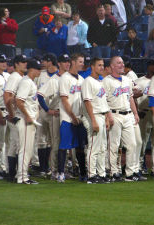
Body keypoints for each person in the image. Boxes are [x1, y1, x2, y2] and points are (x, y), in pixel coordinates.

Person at [103, 56, 144, 182]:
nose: (122, 65)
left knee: (132, 144)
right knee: (114, 145)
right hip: (114, 114)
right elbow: (103, 100)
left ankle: (130, 173)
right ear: (112, 66)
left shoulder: (127, 80)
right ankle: (114, 172)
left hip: (128, 115)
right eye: (119, 63)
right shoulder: (106, 81)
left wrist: (135, 113)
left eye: (122, 63)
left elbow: (131, 98)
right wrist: (108, 115)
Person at [37, 54, 71, 180]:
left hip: (67, 114)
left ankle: (64, 170)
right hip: (56, 114)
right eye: (64, 61)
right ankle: (54, 171)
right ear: (59, 64)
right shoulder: (54, 80)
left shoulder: (69, 78)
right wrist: (48, 110)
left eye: (68, 61)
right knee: (56, 143)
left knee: (66, 144)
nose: (67, 64)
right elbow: (40, 95)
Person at [58, 53, 87, 183]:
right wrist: (73, 116)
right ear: (73, 62)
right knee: (64, 146)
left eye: (83, 61)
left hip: (79, 118)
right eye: (80, 61)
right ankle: (60, 173)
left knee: (80, 147)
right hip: (67, 118)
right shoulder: (64, 78)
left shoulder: (81, 79)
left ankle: (82, 173)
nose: (82, 63)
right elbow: (64, 100)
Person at [81, 57, 111, 183]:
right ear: (92, 67)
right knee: (93, 146)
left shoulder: (100, 81)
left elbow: (103, 102)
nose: (102, 67)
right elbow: (87, 102)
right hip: (93, 116)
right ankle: (91, 175)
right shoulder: (88, 81)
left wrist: (107, 118)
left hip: (101, 116)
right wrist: (93, 120)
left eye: (102, 65)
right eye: (99, 65)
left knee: (103, 147)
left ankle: (101, 174)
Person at [15, 59, 42, 184]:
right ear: (31, 69)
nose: (40, 70)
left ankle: (22, 175)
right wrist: (27, 116)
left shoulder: (30, 82)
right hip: (25, 121)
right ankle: (22, 177)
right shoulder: (26, 82)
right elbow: (19, 101)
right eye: (38, 68)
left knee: (27, 150)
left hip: (30, 121)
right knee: (25, 150)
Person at [3, 55, 28, 181]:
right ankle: (12, 173)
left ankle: (13, 173)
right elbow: (7, 97)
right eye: (22, 62)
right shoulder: (15, 77)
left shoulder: (22, 77)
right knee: (15, 144)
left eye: (26, 62)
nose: (25, 64)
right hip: (15, 116)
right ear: (16, 64)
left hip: (18, 116)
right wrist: (12, 115)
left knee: (15, 144)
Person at [36, 53, 59, 177]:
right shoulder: (40, 75)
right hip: (41, 111)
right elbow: (36, 92)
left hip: (54, 112)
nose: (42, 63)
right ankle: (43, 168)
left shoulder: (59, 76)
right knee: (41, 140)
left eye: (45, 60)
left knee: (53, 141)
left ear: (51, 62)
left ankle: (52, 168)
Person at [134, 59, 154, 174]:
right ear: (148, 66)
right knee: (142, 141)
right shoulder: (139, 81)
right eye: (153, 65)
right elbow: (131, 97)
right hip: (143, 113)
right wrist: (137, 111)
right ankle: (139, 166)